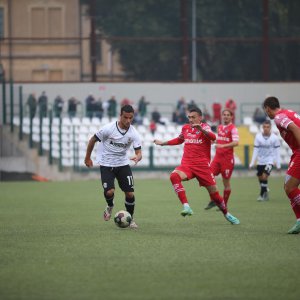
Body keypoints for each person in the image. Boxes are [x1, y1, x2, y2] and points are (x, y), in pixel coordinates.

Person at [153, 106, 240, 225]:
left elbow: (213, 137)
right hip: (187, 165)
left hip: (203, 167)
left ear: (200, 118)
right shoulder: (185, 128)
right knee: (174, 176)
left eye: (193, 117)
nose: (190, 119)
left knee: (214, 195)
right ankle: (186, 206)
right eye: (189, 117)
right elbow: (179, 140)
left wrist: (202, 129)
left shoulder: (205, 127)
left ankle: (226, 214)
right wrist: (163, 143)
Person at [84, 105, 142, 229]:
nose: (128, 120)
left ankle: (130, 219)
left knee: (130, 194)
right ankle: (110, 206)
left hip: (122, 164)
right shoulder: (108, 129)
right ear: (120, 116)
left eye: (130, 118)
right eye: (125, 117)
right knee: (109, 192)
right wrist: (87, 158)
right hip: (106, 164)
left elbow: (139, 152)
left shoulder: (133, 133)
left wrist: (138, 157)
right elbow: (92, 140)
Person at [263, 96, 300, 234]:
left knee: (290, 187)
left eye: (265, 110)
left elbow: (295, 128)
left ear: (267, 108)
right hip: (296, 153)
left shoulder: (279, 117)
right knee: (287, 186)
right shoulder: (288, 112)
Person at [205, 109, 239, 210]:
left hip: (227, 160)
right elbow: (220, 139)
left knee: (226, 183)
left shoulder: (233, 128)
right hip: (217, 158)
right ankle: (214, 199)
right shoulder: (220, 127)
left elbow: (236, 142)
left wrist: (222, 146)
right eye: (224, 115)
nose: (225, 116)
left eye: (228, 115)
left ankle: (224, 205)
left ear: (231, 117)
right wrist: (214, 141)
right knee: (208, 177)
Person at [249, 120, 281, 201]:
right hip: (260, 161)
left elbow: (277, 152)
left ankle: (262, 195)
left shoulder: (275, 138)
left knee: (264, 176)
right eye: (264, 127)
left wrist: (278, 164)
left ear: (270, 128)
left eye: (268, 127)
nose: (266, 128)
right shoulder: (258, 137)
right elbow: (255, 150)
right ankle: (265, 189)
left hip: (270, 160)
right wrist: (252, 163)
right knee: (260, 177)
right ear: (262, 127)